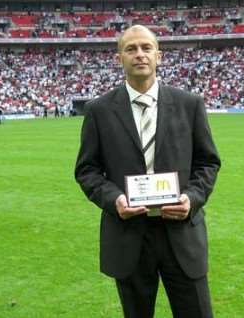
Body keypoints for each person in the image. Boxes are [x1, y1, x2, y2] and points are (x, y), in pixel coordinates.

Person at [75, 25, 221, 318]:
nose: (139, 54)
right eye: (131, 49)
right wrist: (114, 199)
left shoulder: (189, 104)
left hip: (181, 233)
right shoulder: (99, 110)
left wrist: (191, 199)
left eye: (146, 48)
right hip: (129, 235)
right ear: (119, 58)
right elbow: (87, 170)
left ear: (159, 55)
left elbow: (208, 163)